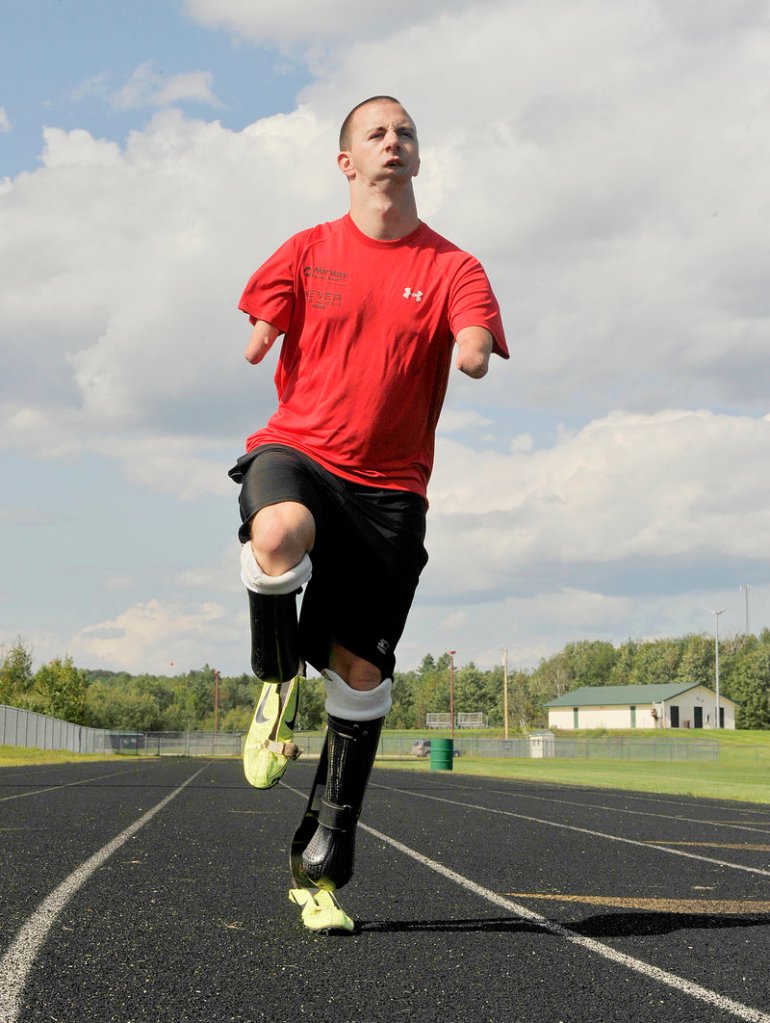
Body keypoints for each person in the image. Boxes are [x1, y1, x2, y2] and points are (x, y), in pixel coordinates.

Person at [229, 96, 508, 931]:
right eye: (376, 133)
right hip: (301, 452)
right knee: (275, 534)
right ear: (346, 160)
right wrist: (264, 329)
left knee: (361, 678)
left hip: (390, 492)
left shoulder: (456, 266)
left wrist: (471, 346)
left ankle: (322, 862)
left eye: (407, 133)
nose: (394, 142)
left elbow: (473, 334)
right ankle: (277, 677)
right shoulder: (308, 250)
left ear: (418, 159)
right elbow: (259, 325)